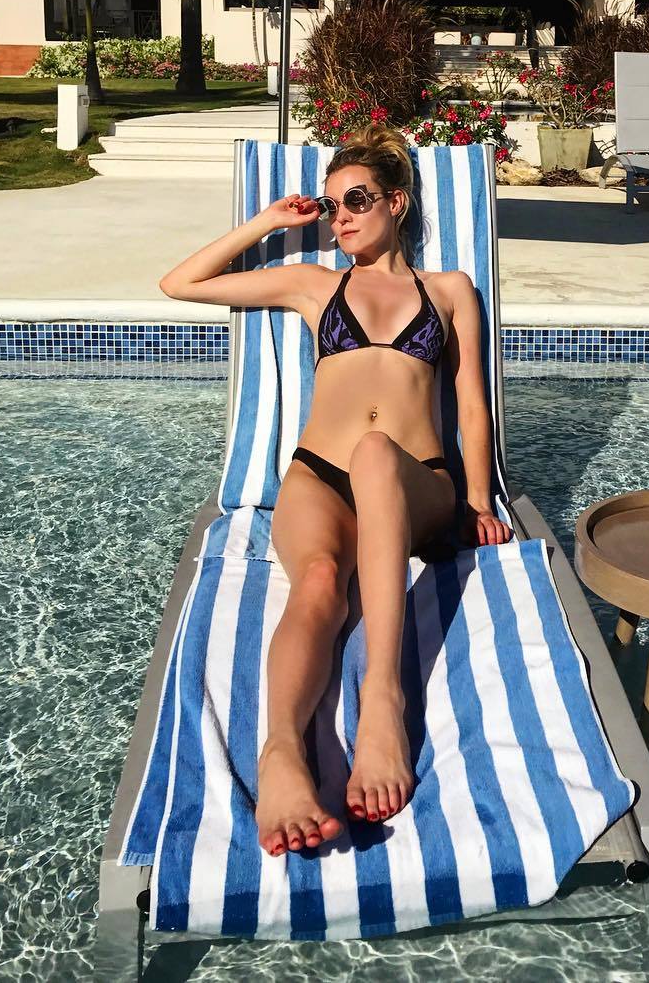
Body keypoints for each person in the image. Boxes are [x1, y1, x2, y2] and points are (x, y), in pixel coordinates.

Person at [158, 124, 513, 858]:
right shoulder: (316, 286)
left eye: (356, 200)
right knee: (318, 580)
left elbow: (470, 402)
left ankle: (382, 698)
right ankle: (282, 753)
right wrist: (268, 222)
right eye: (331, 205)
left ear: (396, 202)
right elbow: (180, 283)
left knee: (377, 452)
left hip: (414, 482)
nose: (340, 217)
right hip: (318, 475)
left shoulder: (449, 292)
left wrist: (479, 498)